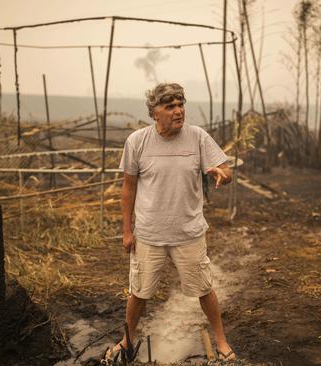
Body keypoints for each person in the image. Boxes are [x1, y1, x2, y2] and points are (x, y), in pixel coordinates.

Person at [109, 83, 236, 361]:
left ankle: (222, 341)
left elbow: (225, 170)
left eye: (180, 104)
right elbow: (128, 189)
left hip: (188, 233)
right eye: (170, 106)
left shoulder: (197, 137)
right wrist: (127, 231)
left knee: (204, 289)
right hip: (148, 234)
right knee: (138, 293)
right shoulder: (138, 141)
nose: (178, 111)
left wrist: (223, 175)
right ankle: (126, 340)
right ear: (155, 112)